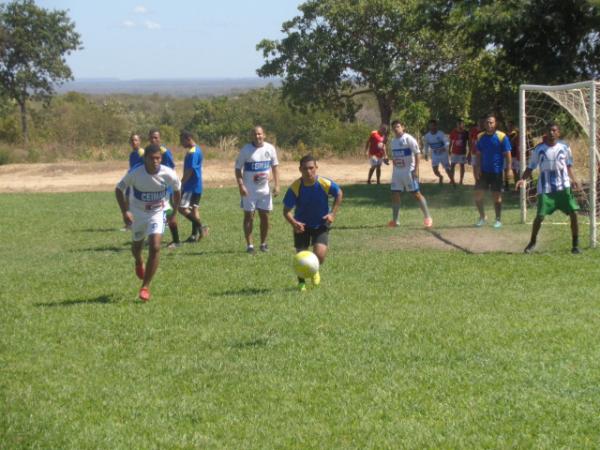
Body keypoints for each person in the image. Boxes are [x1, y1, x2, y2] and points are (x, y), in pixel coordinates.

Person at [115, 144, 182, 301]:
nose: (155, 161)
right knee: (137, 246)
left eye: (158, 158)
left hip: (158, 212)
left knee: (155, 246)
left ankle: (145, 286)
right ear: (145, 159)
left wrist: (174, 213)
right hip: (138, 213)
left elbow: (178, 191)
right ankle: (139, 261)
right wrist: (125, 212)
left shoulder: (169, 173)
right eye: (152, 158)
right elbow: (119, 189)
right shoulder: (135, 173)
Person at [516, 122, 580, 254]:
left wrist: (574, 180)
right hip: (545, 188)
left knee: (574, 213)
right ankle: (532, 242)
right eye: (549, 130)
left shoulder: (565, 147)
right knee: (540, 216)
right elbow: (531, 167)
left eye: (554, 130)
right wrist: (522, 179)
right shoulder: (539, 149)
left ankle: (575, 245)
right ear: (546, 133)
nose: (551, 133)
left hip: (564, 187)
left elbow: (568, 166)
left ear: (558, 133)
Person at [283, 154, 343, 291]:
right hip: (301, 226)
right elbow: (286, 211)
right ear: (300, 169)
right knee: (301, 257)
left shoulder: (324, 183)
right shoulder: (295, 187)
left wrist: (332, 214)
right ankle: (301, 282)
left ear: (316, 168)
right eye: (305, 169)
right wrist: (294, 223)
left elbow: (339, 193)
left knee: (320, 255)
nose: (308, 171)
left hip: (321, 223)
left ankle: (314, 270)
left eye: (311, 168)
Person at [234, 126, 280, 253]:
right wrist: (241, 185)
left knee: (265, 216)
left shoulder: (270, 148)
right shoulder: (246, 149)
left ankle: (263, 244)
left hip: (265, 190)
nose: (257, 136)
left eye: (259, 134)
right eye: (255, 134)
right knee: (249, 216)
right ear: (251, 136)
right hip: (249, 190)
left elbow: (275, 167)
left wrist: (277, 185)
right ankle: (250, 246)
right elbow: (238, 169)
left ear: (264, 135)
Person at [387, 119, 433, 228]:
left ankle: (428, 217)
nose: (396, 129)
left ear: (403, 127)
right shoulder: (393, 141)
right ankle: (395, 221)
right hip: (397, 172)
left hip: (409, 171)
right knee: (395, 194)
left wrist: (415, 170)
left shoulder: (409, 139)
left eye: (398, 126)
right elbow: (395, 156)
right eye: (394, 127)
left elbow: (417, 154)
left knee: (416, 194)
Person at [473, 114, 512, 228]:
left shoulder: (502, 136)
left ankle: (498, 220)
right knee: (478, 195)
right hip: (484, 171)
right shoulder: (480, 136)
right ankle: (482, 217)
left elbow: (508, 154)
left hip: (496, 172)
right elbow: (478, 154)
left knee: (496, 196)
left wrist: (509, 169)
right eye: (487, 122)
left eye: (491, 122)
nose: (489, 124)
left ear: (495, 124)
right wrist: (477, 168)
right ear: (484, 124)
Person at [148, 128, 181, 249]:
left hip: (166, 188)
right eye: (151, 137)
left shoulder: (164, 152)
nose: (153, 140)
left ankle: (176, 240)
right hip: (153, 187)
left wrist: (169, 183)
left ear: (160, 138)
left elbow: (172, 168)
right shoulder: (148, 151)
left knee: (170, 213)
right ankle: (154, 237)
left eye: (156, 137)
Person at [178, 131, 208, 243]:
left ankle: (201, 226)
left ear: (188, 138)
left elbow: (189, 170)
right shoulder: (198, 149)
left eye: (182, 141)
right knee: (194, 209)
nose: (181, 144)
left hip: (191, 186)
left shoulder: (192, 152)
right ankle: (193, 236)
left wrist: (181, 183)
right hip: (197, 185)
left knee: (181, 208)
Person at [422, 119, 452, 185]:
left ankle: (453, 182)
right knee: (435, 170)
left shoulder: (441, 133)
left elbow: (446, 142)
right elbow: (426, 145)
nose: (432, 128)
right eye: (430, 126)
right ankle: (440, 177)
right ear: (429, 127)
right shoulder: (427, 136)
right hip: (435, 154)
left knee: (447, 169)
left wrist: (444, 148)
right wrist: (426, 154)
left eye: (433, 126)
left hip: (443, 154)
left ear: (436, 126)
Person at [449, 119, 469, 185]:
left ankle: (461, 180)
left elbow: (469, 142)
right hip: (454, 152)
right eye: (458, 124)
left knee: (462, 166)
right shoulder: (453, 131)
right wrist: (449, 149)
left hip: (462, 152)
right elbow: (451, 141)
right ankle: (452, 180)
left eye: (461, 124)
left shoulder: (466, 132)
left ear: (463, 124)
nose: (460, 125)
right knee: (452, 165)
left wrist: (469, 151)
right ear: (456, 124)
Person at [468, 117, 485, 183]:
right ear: (477, 123)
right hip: (474, 152)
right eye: (479, 122)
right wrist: (469, 152)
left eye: (482, 122)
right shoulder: (473, 130)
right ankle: (476, 181)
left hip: (483, 153)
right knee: (474, 166)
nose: (481, 124)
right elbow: (470, 141)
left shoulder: (485, 131)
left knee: (481, 167)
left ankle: (482, 181)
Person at [505, 120, 520, 190]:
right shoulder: (506, 134)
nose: (509, 127)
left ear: (513, 126)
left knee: (516, 171)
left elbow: (514, 143)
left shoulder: (516, 134)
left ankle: (518, 186)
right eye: (508, 126)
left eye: (511, 125)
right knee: (507, 169)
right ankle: (507, 184)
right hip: (508, 155)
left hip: (515, 155)